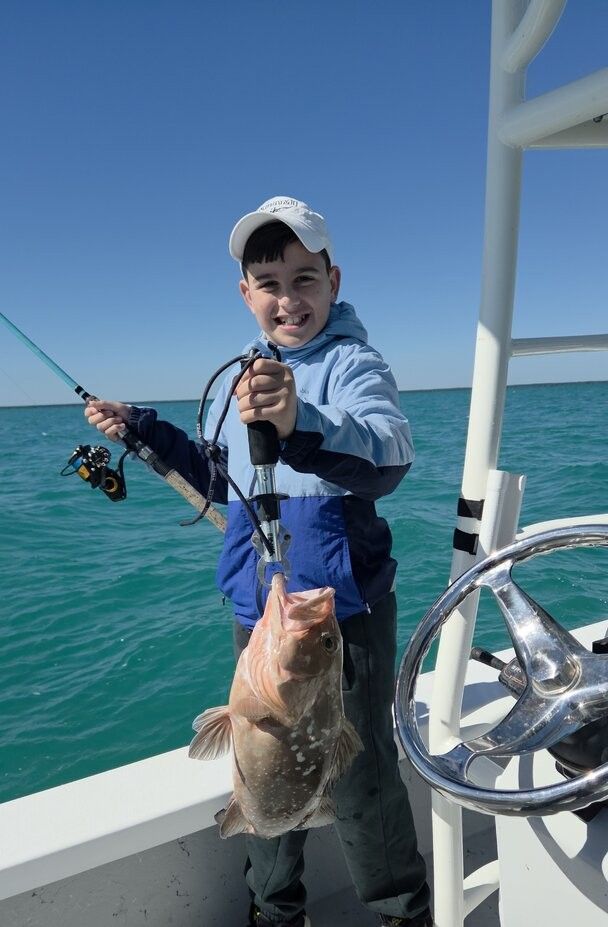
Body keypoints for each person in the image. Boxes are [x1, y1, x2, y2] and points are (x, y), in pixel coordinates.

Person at [85, 196, 433, 927]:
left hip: (340, 621)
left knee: (363, 778)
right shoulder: (243, 375)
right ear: (246, 294)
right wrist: (142, 428)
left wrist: (299, 418)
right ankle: (275, 912)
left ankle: (402, 910)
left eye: (305, 278)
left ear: (333, 281)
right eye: (269, 282)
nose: (288, 298)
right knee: (256, 773)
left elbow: (388, 453)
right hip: (263, 621)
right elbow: (215, 478)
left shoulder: (351, 364)